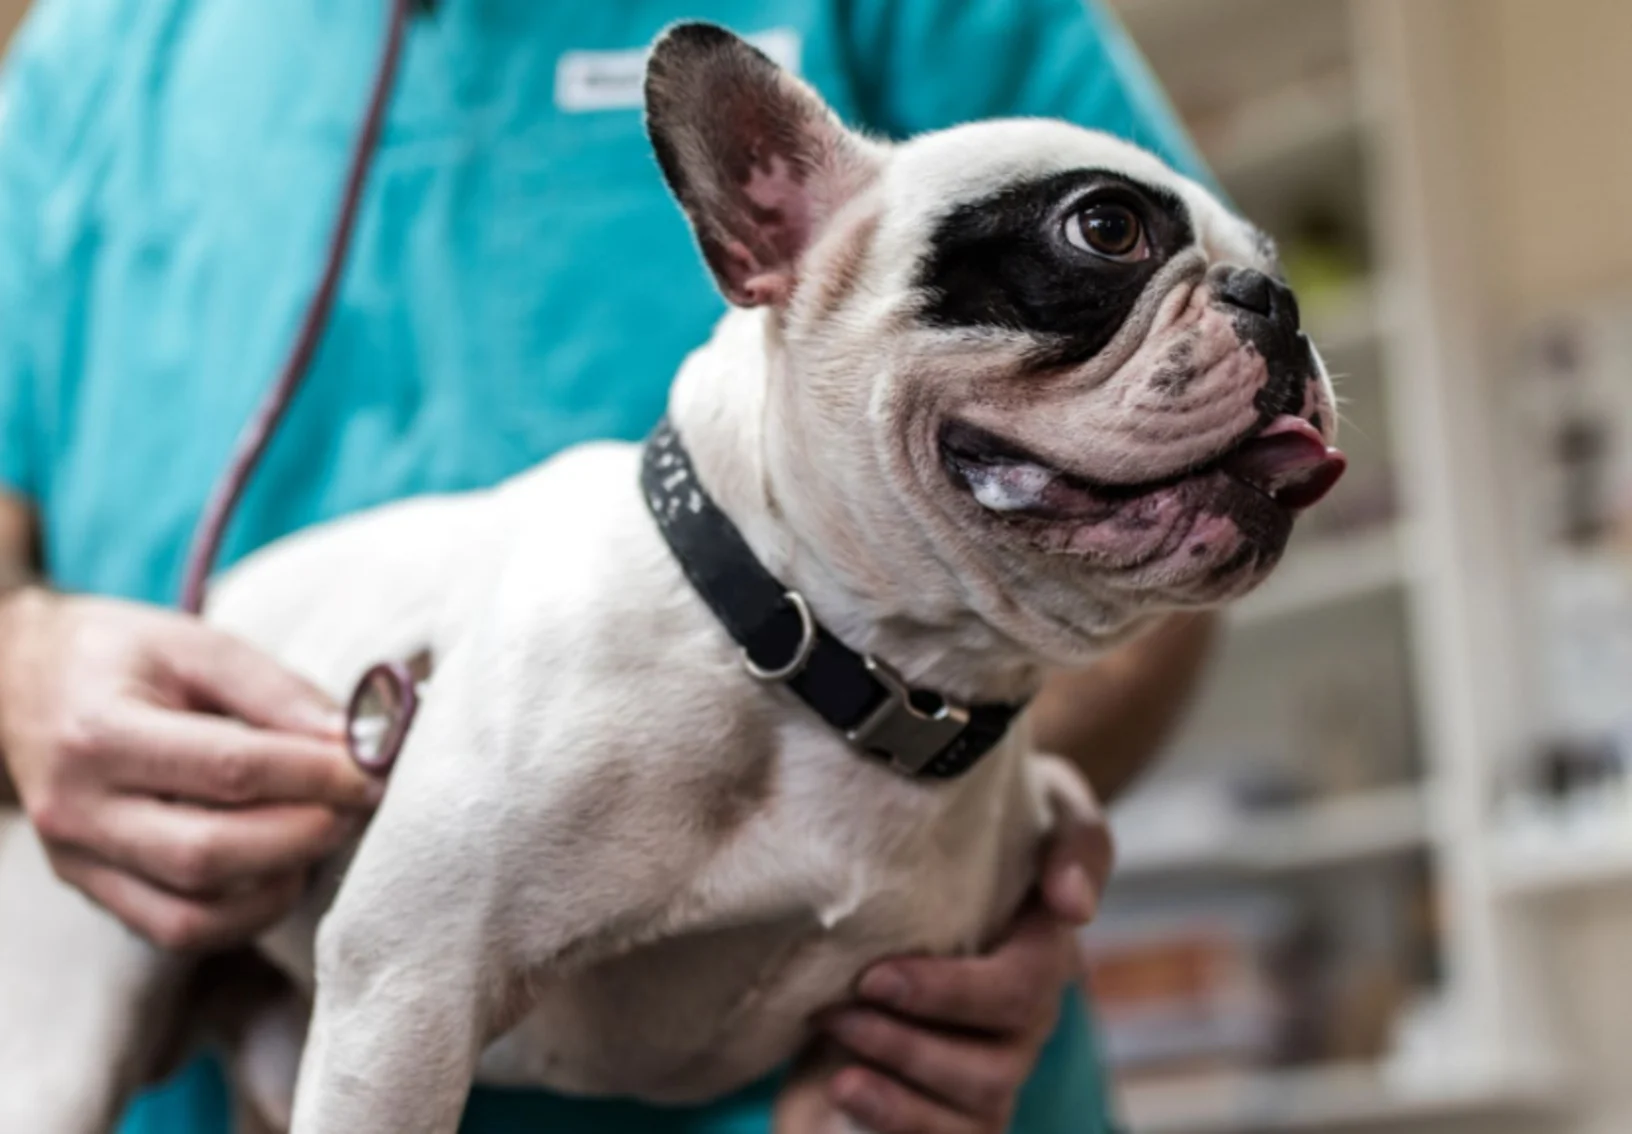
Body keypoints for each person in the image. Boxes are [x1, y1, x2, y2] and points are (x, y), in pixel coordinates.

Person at [0, 1, 1218, 1131]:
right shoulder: (80, 64)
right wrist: (21, 666)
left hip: (851, 1085)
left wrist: (968, 856)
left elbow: (1164, 435)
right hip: (171, 1003)